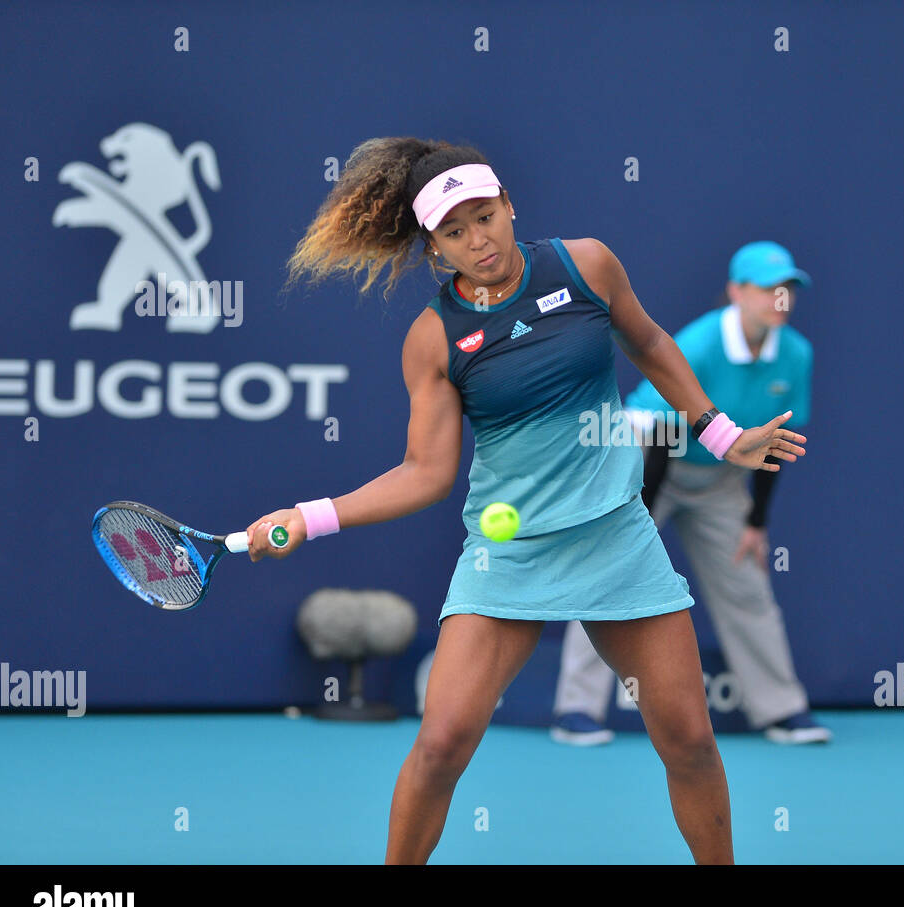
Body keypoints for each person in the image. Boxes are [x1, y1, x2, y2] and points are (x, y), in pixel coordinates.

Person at [241, 138, 807, 864]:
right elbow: (425, 471)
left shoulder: (585, 265)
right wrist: (309, 516)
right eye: (454, 231)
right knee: (441, 744)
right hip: (507, 557)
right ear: (434, 248)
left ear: (509, 205)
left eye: (485, 216)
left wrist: (723, 435)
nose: (478, 240)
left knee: (691, 742)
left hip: (616, 541)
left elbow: (653, 343)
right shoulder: (434, 338)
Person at [551, 242, 829, 747]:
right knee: (610, 573)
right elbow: (661, 432)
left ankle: (782, 709)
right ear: (736, 292)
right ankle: (576, 709)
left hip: (719, 479)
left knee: (746, 583)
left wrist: (756, 523)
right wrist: (638, 523)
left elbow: (776, 445)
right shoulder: (700, 345)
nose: (780, 300)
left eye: (787, 289)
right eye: (769, 289)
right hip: (648, 456)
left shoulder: (796, 354)